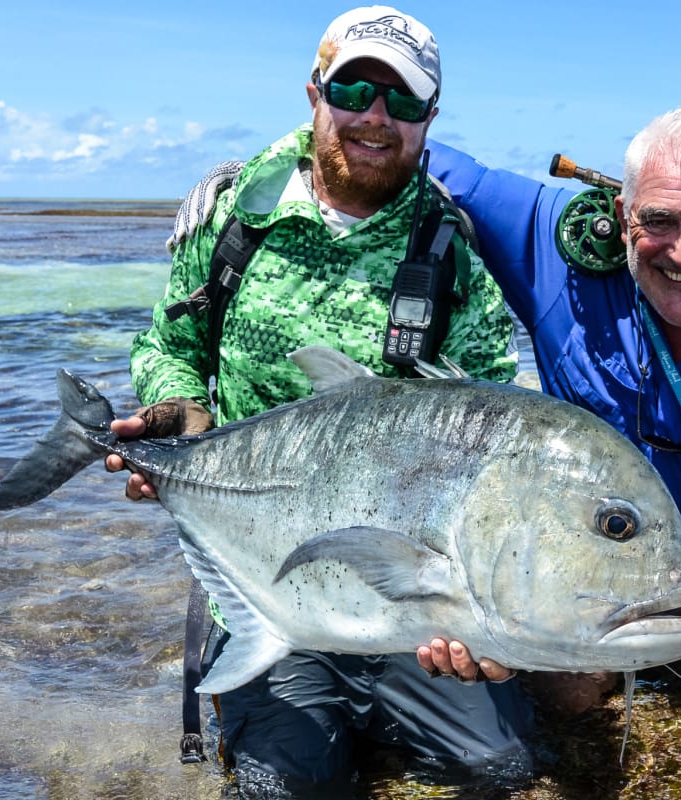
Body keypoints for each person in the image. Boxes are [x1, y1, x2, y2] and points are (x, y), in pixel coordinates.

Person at [171, 108, 681, 708]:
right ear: (622, 216)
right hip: (564, 543)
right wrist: (254, 174)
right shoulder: (556, 254)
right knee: (571, 696)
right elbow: (394, 136)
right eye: (660, 220)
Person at [105, 6, 533, 796]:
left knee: (498, 769)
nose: (376, 118)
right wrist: (178, 418)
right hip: (266, 579)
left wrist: (490, 619)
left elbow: (494, 443)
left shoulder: (452, 256)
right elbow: (169, 346)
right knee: (281, 787)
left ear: (429, 117)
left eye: (403, 102)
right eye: (354, 90)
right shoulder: (237, 214)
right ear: (315, 93)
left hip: (407, 592)